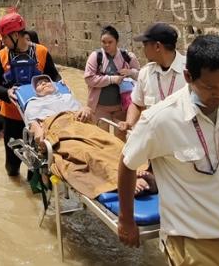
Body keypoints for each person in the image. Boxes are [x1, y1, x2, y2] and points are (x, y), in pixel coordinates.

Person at [117, 35, 219, 266]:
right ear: (188, 76)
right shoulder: (161, 119)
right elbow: (127, 162)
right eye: (210, 87)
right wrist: (126, 220)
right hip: (192, 240)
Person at [23, 75, 155, 198]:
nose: (44, 84)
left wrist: (85, 110)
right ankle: (121, 180)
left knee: (112, 142)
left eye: (46, 81)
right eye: (39, 84)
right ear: (36, 92)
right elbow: (34, 126)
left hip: (83, 126)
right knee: (85, 152)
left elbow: (88, 113)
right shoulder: (33, 104)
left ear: (54, 85)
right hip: (59, 130)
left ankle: (139, 169)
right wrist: (39, 134)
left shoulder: (67, 97)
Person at [0, 12, 61, 177]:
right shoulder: (1, 56)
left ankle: (36, 188)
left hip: (40, 116)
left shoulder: (42, 52)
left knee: (38, 163)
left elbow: (55, 76)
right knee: (12, 164)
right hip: (12, 116)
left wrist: (56, 85)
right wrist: (7, 92)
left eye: (5, 38)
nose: (3, 42)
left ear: (15, 35)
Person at [118, 23, 187, 132]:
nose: (143, 50)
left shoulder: (190, 71)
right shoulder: (145, 73)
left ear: (157, 46)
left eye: (145, 45)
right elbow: (136, 103)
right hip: (155, 141)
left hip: (182, 142)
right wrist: (129, 123)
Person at [83, 26, 140, 128]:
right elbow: (89, 79)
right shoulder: (95, 57)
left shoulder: (127, 56)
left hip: (121, 107)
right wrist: (111, 79)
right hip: (100, 107)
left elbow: (140, 76)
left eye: (110, 42)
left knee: (121, 137)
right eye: (103, 42)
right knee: (103, 139)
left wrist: (130, 72)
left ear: (117, 42)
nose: (106, 45)